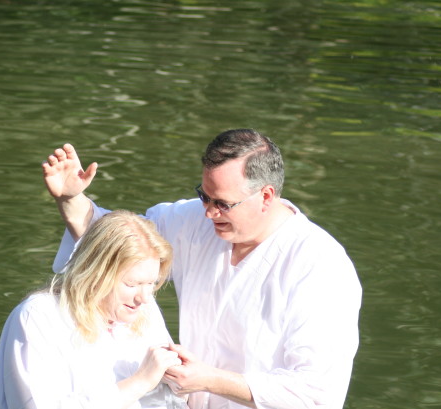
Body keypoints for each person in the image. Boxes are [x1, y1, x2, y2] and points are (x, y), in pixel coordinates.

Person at [44, 129, 362, 409]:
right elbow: (118, 247)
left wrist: (210, 380)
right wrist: (72, 200)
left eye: (222, 203)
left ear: (266, 196)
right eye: (204, 196)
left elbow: (317, 394)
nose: (209, 213)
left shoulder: (320, 267)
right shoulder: (193, 221)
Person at [0, 210, 189, 409]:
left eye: (151, 284)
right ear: (95, 273)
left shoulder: (145, 312)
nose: (144, 298)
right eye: (131, 284)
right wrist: (140, 382)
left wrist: (180, 383)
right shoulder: (39, 317)